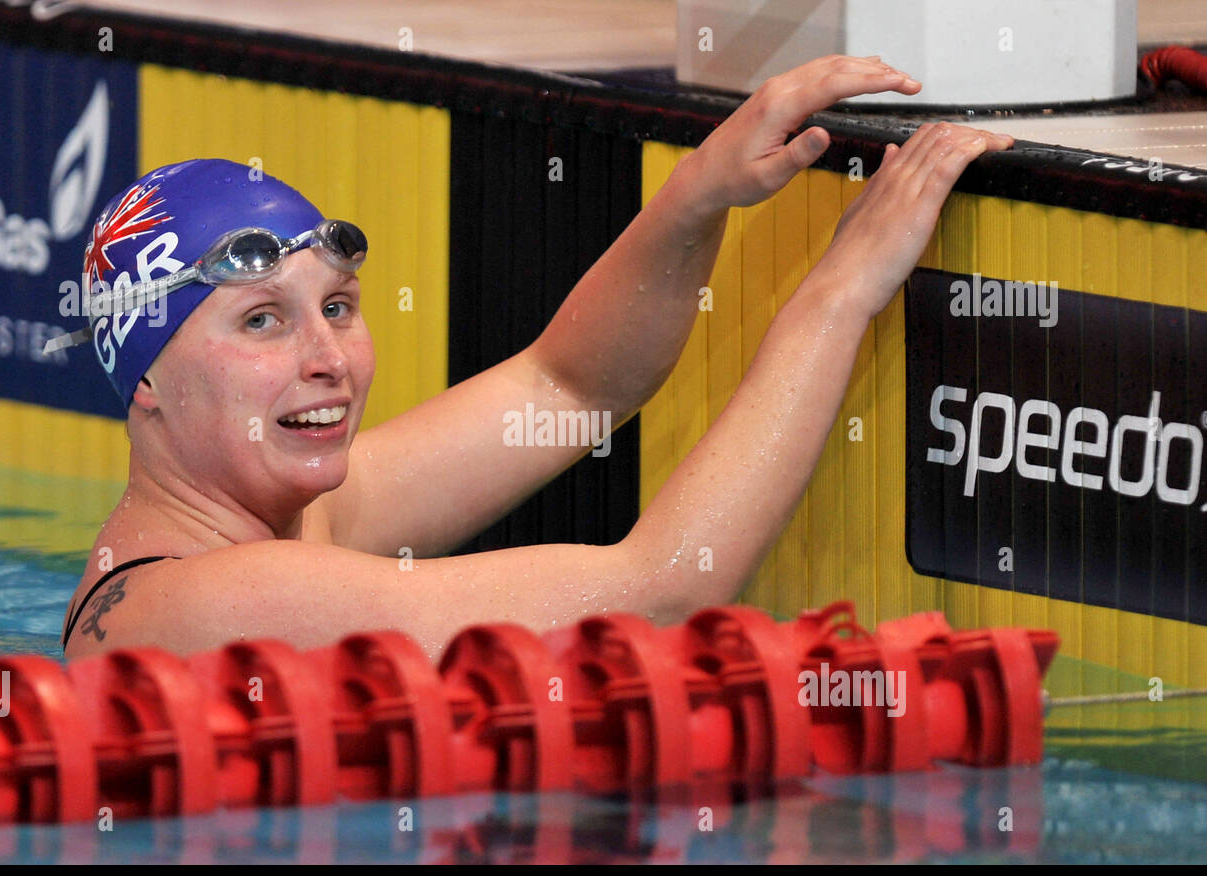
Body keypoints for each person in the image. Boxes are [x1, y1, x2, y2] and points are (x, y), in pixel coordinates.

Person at [59, 55, 1013, 661]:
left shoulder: (283, 529)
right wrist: (841, 290)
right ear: (146, 374)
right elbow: (663, 592)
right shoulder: (223, 599)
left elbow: (569, 385)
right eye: (262, 322)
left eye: (339, 308)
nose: (328, 359)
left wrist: (700, 189)